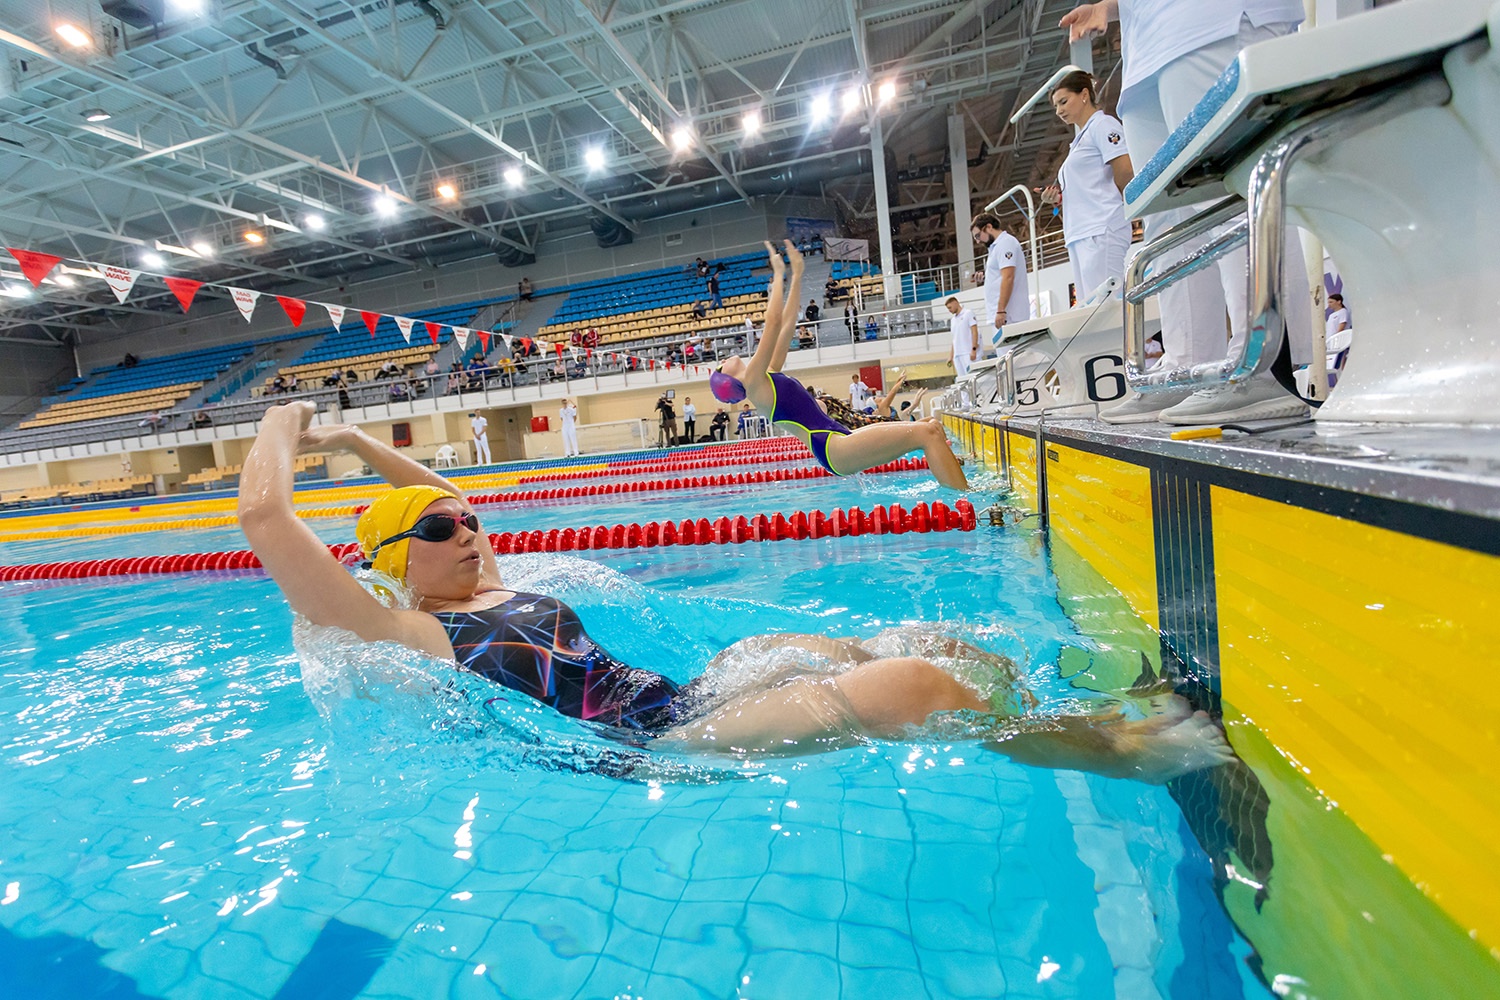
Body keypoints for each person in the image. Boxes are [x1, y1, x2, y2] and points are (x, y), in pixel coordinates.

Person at [237, 400, 1235, 772]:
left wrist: (358, 437)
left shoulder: (489, 583)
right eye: (445, 530)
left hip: (682, 699)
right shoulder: (405, 630)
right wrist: (285, 422)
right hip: (647, 747)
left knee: (907, 638)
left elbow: (439, 492)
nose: (469, 526)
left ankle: (1074, 710)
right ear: (397, 563)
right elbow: (265, 521)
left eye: (473, 520)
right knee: (908, 691)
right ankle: (1124, 752)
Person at [1064, 0, 1315, 425]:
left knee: (1229, 189)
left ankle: (1264, 362)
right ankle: (1188, 367)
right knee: (1168, 222)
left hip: (1211, 21)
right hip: (1146, 53)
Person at [710, 243, 969, 491]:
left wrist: (797, 275)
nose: (724, 360)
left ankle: (959, 481)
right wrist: (778, 276)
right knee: (927, 433)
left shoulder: (766, 376)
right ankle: (968, 504)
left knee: (931, 425)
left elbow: (788, 323)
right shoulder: (754, 384)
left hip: (840, 438)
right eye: (721, 366)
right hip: (835, 449)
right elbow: (774, 320)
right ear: (728, 381)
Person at [1041, 69, 1134, 302]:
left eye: (1063, 102)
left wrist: (1129, 210)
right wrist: (1058, 199)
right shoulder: (1079, 140)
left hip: (1101, 228)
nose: (1059, 110)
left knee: (1108, 310)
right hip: (1080, 233)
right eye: (1055, 106)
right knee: (1092, 314)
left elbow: (1125, 170)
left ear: (1084, 94)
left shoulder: (1103, 125)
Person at [972, 212, 1032, 353]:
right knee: (1006, 364)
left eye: (977, 236)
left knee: (1013, 364)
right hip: (1003, 316)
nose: (978, 241)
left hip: (1009, 316)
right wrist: (986, 277)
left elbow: (1008, 277)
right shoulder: (995, 248)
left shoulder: (1006, 243)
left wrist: (1001, 310)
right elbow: (1001, 276)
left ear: (988, 227)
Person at [945, 297, 981, 377]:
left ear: (956, 303)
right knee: (962, 382)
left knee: (973, 377)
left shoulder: (968, 313)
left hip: (967, 353)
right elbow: (954, 339)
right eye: (948, 309)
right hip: (957, 355)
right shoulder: (953, 320)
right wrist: (951, 356)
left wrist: (974, 349)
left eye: (950, 307)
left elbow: (974, 331)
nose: (949, 310)